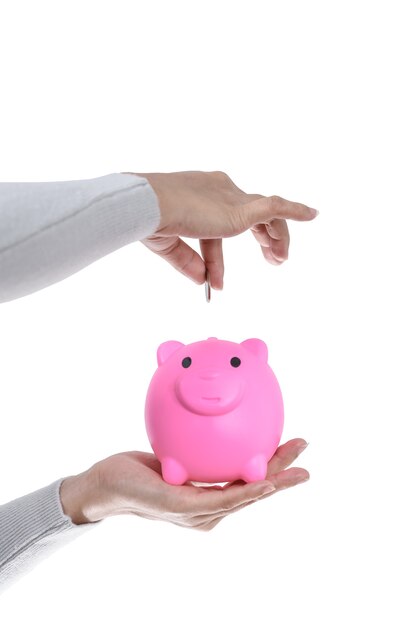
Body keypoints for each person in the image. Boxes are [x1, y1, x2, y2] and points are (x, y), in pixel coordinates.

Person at [0, 171, 317, 592]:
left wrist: (84, 497)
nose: (207, 376)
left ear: (254, 354)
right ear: (169, 359)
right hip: (176, 463)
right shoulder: (171, 365)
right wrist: (151, 201)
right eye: (184, 364)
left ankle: (241, 460)